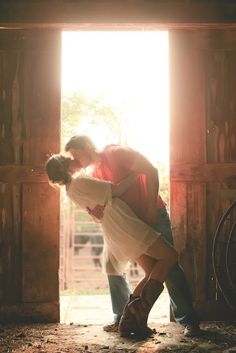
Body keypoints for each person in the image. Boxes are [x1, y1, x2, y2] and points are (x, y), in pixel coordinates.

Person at [64, 135, 201, 337]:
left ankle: (189, 321)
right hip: (131, 223)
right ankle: (128, 318)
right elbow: (102, 207)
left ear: (86, 147)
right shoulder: (93, 173)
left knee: (169, 265)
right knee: (143, 268)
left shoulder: (115, 153)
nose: (75, 162)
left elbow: (151, 170)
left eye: (75, 155)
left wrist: (150, 208)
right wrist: (95, 215)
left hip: (152, 212)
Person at [46, 154, 178, 338]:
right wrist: (135, 173)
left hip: (113, 226)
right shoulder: (80, 182)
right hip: (122, 221)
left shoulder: (70, 191)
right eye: (70, 159)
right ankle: (136, 316)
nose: (75, 160)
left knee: (151, 271)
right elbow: (116, 190)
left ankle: (128, 321)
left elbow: (95, 212)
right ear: (67, 166)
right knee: (170, 256)